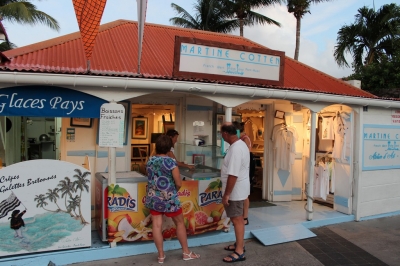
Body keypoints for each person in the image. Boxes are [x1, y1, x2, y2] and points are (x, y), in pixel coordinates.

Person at [145, 135, 200, 263]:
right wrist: (172, 191)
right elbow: (179, 183)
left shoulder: (150, 161)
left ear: (156, 146)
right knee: (180, 223)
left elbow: (150, 177)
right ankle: (186, 253)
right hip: (169, 199)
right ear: (169, 147)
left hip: (154, 199)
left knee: (157, 226)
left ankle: (161, 256)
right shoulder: (171, 162)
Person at [220, 122, 250, 263]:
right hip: (238, 189)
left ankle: (239, 252)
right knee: (235, 218)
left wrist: (227, 194)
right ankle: (239, 245)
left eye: (221, 134)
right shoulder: (239, 145)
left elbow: (233, 174)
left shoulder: (236, 149)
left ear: (225, 134)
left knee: (237, 219)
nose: (221, 136)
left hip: (236, 191)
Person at [232, 121, 255, 226]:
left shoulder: (245, 139)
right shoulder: (241, 139)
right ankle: (240, 215)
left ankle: (245, 217)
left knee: (245, 193)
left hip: (247, 165)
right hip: (245, 165)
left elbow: (245, 155)